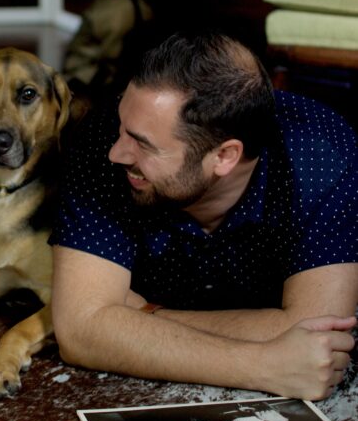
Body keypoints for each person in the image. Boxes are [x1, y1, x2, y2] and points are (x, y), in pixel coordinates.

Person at [50, 31, 358, 400]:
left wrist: (144, 315)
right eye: (122, 127)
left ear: (225, 156)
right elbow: (80, 331)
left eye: (144, 145)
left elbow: (319, 338)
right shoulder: (104, 140)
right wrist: (264, 365)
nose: (118, 152)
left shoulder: (322, 155)